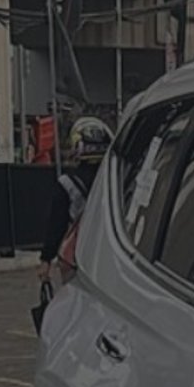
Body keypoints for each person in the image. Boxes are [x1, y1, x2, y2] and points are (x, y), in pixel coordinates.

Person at [37, 116, 112, 282]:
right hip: (112, 254)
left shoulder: (67, 184)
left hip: (78, 254)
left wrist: (46, 259)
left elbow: (56, 224)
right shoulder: (117, 180)